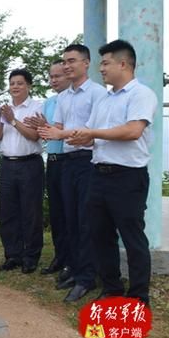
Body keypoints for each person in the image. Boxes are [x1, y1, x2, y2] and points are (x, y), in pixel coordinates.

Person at [68, 39, 157, 306]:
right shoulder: (104, 100)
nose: (102, 69)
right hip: (99, 174)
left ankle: (139, 296)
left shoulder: (141, 94)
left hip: (128, 177)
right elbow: (94, 136)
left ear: (123, 63)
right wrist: (82, 138)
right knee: (100, 234)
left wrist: (92, 133)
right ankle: (111, 288)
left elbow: (132, 131)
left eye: (105, 63)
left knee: (132, 237)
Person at [38, 44, 107, 303]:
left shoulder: (98, 94)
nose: (67, 66)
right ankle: (76, 270)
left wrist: (60, 133)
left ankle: (87, 278)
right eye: (65, 61)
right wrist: (45, 128)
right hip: (67, 161)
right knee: (69, 219)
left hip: (88, 162)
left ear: (86, 63)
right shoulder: (64, 97)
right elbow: (59, 127)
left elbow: (92, 131)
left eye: (72, 61)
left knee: (85, 219)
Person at [0, 69, 44, 274]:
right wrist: (3, 121)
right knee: (8, 212)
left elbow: (34, 135)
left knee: (30, 212)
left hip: (30, 164)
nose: (15, 87)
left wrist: (13, 120)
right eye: (12, 83)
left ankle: (31, 257)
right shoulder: (3, 109)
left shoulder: (37, 107)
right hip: (7, 164)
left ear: (28, 85)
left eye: (19, 83)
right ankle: (12, 255)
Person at [24, 61, 71, 276]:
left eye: (58, 76)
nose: (54, 80)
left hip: (69, 159)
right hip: (51, 159)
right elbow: (43, 133)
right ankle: (60, 257)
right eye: (51, 77)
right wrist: (41, 127)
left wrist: (47, 127)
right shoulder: (49, 102)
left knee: (71, 212)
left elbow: (69, 131)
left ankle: (72, 260)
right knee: (56, 213)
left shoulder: (73, 100)